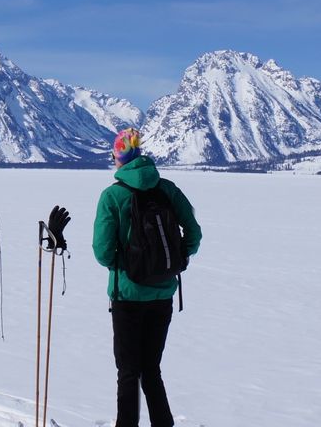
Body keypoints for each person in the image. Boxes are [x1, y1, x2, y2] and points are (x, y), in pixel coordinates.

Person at [92, 128, 202, 427]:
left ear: (119, 158)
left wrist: (125, 264)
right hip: (163, 293)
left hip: (127, 295)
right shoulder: (167, 189)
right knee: (151, 369)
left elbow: (102, 251)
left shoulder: (112, 195)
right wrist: (179, 259)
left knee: (128, 371)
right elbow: (194, 232)